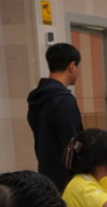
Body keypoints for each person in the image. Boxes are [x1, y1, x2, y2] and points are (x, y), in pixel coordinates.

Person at [27, 43, 83, 191]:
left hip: (46, 173)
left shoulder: (38, 98)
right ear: (72, 66)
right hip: (65, 180)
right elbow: (71, 144)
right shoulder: (63, 100)